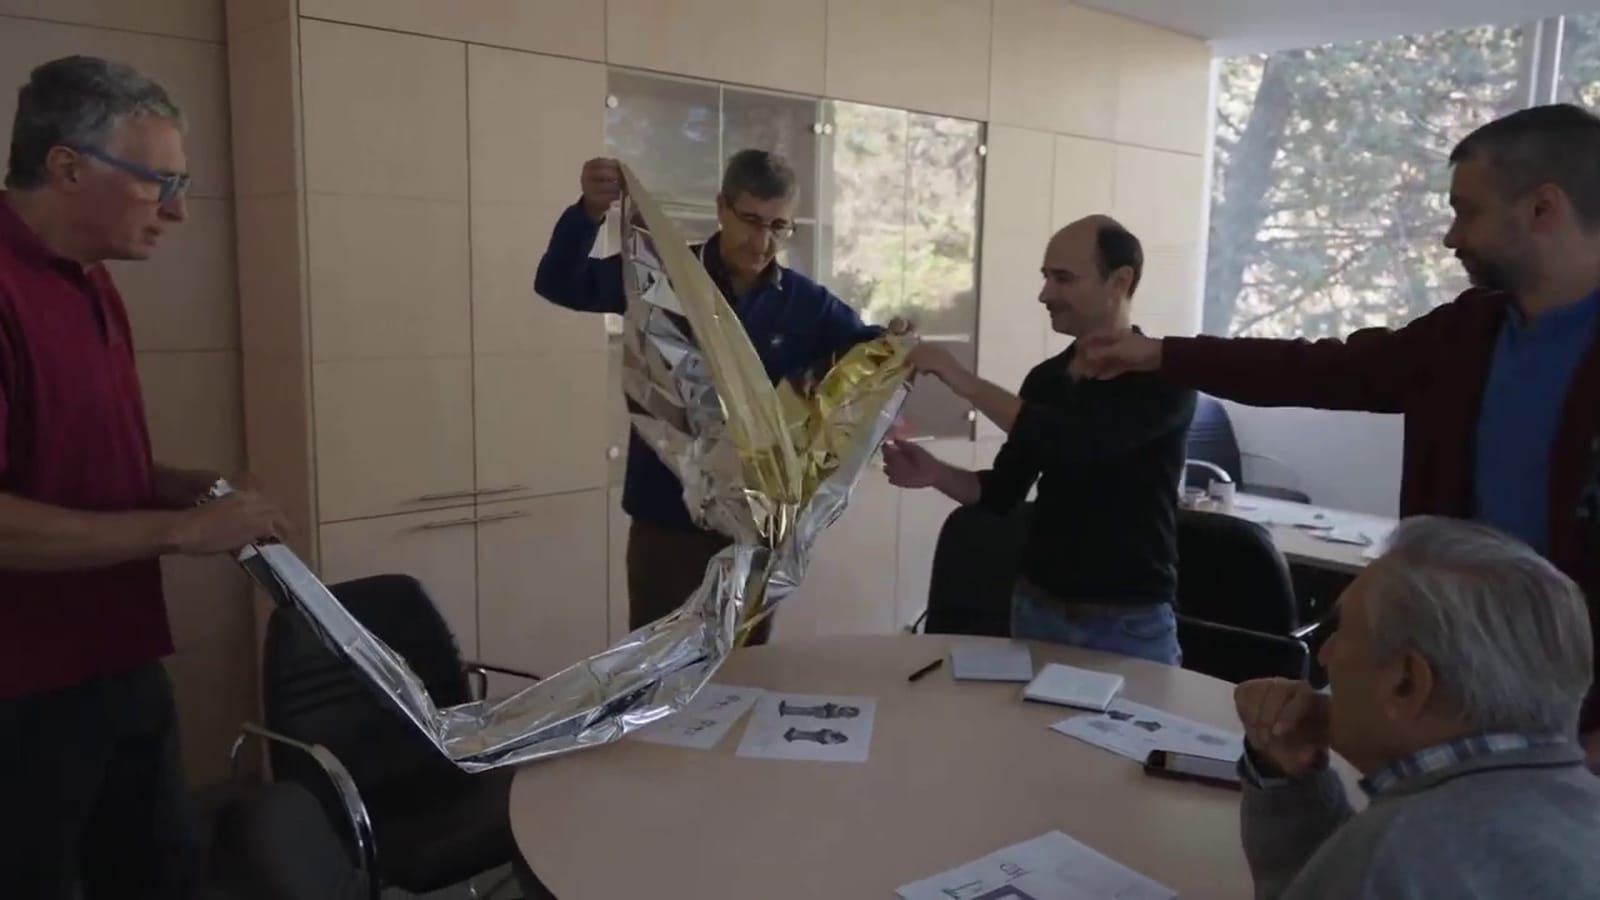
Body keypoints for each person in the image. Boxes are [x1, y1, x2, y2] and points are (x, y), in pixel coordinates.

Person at [1081, 103, 1600, 761]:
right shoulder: (1469, 333)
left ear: (1542, 209)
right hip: (1443, 686)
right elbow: (1323, 368)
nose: (1450, 237)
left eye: (1466, 211)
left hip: (1574, 725)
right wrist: (1160, 354)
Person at [0, 56, 290, 898]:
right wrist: (180, 532)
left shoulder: (91, 279)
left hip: (117, 656)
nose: (179, 209)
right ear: (66, 167)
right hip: (23, 691)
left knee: (162, 870)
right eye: (158, 181)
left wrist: (181, 486)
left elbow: (66, 464)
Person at [534, 149, 905, 643]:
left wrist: (898, 343)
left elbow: (867, 356)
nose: (763, 240)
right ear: (722, 208)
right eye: (751, 220)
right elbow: (559, 283)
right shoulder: (663, 274)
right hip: (665, 520)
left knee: (745, 677)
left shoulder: (805, 304)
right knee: (656, 669)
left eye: (779, 226)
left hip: (753, 535)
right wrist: (590, 212)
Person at [1234, 516, 1600, 900]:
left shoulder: (1389, 854)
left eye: (1342, 633)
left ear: (1407, 682)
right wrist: (1292, 785)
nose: (1325, 655)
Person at [881, 216, 1195, 664]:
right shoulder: (1046, 380)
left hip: (1127, 627)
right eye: (1046, 277)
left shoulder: (1165, 378)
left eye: (1063, 278)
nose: (1045, 294)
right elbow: (1002, 493)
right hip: (1037, 614)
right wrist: (935, 473)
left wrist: (962, 380)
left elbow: (1076, 444)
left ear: (1120, 281)